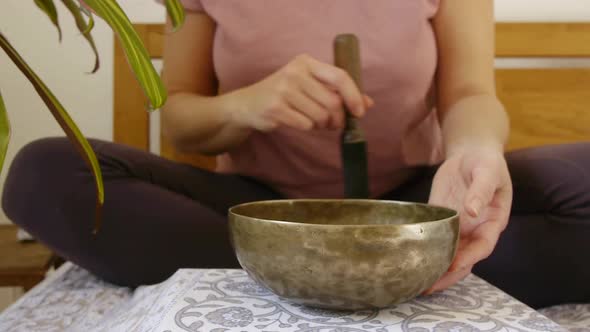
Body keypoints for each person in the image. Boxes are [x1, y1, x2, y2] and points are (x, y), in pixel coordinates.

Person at [2, 0, 588, 309]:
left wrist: (476, 151)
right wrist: (247, 107)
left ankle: (308, 280)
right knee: (42, 173)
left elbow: (469, 94)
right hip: (255, 214)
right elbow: (180, 117)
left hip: (414, 213)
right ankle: (346, 276)